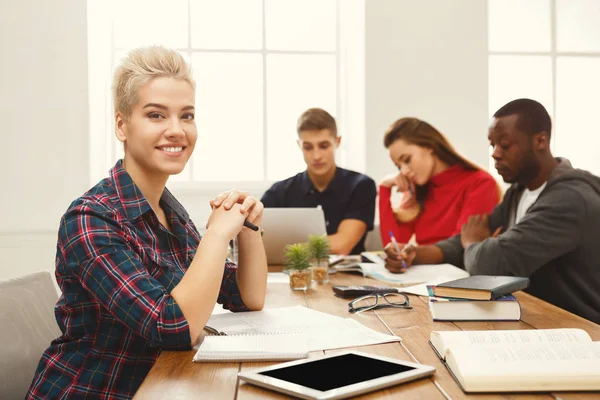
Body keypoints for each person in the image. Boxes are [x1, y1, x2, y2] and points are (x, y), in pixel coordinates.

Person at [27, 46, 267, 399]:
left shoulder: (170, 212)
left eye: (187, 116)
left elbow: (246, 297)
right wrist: (216, 234)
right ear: (122, 125)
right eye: (156, 115)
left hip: (160, 385)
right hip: (93, 390)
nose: (177, 130)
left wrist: (248, 227)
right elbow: (173, 326)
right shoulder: (91, 219)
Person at [386, 99, 600, 324]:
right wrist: (416, 254)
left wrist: (473, 244)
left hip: (582, 329)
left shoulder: (569, 199)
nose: (495, 154)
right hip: (536, 317)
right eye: (492, 145)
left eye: (505, 145)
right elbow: (472, 234)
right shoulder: (518, 191)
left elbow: (492, 264)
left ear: (541, 141)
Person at [261, 108, 376, 255]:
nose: (316, 156)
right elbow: (255, 238)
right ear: (299, 145)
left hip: (350, 276)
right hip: (293, 273)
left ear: (337, 142)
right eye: (308, 147)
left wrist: (288, 247)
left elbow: (342, 245)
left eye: (324, 146)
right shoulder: (278, 192)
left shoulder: (361, 186)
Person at [379, 117, 500, 248]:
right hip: (424, 267)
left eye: (407, 160)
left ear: (429, 146)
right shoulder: (417, 190)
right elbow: (393, 247)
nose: (404, 171)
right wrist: (384, 188)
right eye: (398, 166)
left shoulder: (480, 183)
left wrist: (415, 255)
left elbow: (460, 249)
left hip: (456, 268)